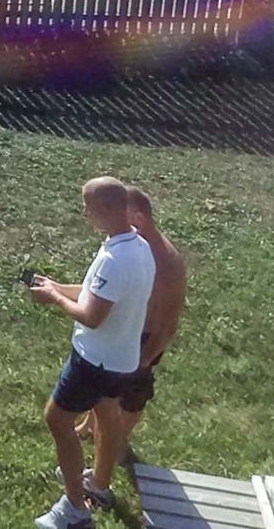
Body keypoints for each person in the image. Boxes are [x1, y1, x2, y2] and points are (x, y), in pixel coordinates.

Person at [29, 177, 155, 529]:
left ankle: (75, 510)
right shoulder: (138, 247)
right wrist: (57, 285)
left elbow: (92, 316)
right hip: (122, 359)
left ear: (107, 209)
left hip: (93, 360)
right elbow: (95, 294)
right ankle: (99, 485)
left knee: (56, 419)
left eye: (89, 208)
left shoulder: (115, 259)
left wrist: (54, 299)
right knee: (107, 412)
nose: (85, 214)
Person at [81, 187, 187, 505]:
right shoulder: (128, 245)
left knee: (128, 400)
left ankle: (116, 447)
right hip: (119, 332)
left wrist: (144, 359)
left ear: (138, 217)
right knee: (100, 387)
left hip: (142, 342)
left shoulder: (167, 264)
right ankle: (89, 425)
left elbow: (168, 325)